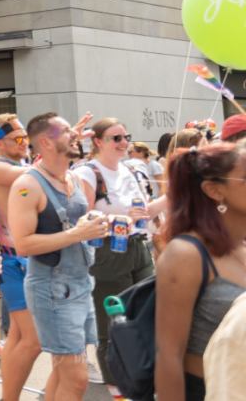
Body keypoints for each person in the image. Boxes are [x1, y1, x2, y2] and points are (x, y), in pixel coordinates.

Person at [8, 113, 109, 401]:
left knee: (62, 374)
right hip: (52, 288)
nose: (77, 134)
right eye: (67, 131)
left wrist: (101, 225)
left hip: (80, 282)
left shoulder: (73, 176)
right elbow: (23, 245)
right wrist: (77, 234)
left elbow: (78, 226)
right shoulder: (27, 186)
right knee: (77, 380)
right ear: (46, 143)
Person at [73, 118, 166, 397]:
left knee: (150, 315)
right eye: (116, 138)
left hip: (138, 247)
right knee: (113, 326)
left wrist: (176, 194)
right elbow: (84, 218)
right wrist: (121, 219)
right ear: (97, 142)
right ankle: (118, 392)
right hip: (107, 253)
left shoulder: (130, 170)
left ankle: (143, 384)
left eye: (125, 136)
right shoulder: (88, 172)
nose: (123, 142)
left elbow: (144, 214)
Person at [154, 142, 246, 400]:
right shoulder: (186, 253)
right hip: (211, 391)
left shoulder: (240, 245)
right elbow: (169, 354)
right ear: (215, 190)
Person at [0, 114, 38, 400]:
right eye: (18, 138)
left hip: (31, 257)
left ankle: (8, 396)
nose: (24, 142)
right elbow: (36, 176)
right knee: (33, 339)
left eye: (26, 137)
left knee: (16, 336)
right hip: (10, 260)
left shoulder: (23, 165)